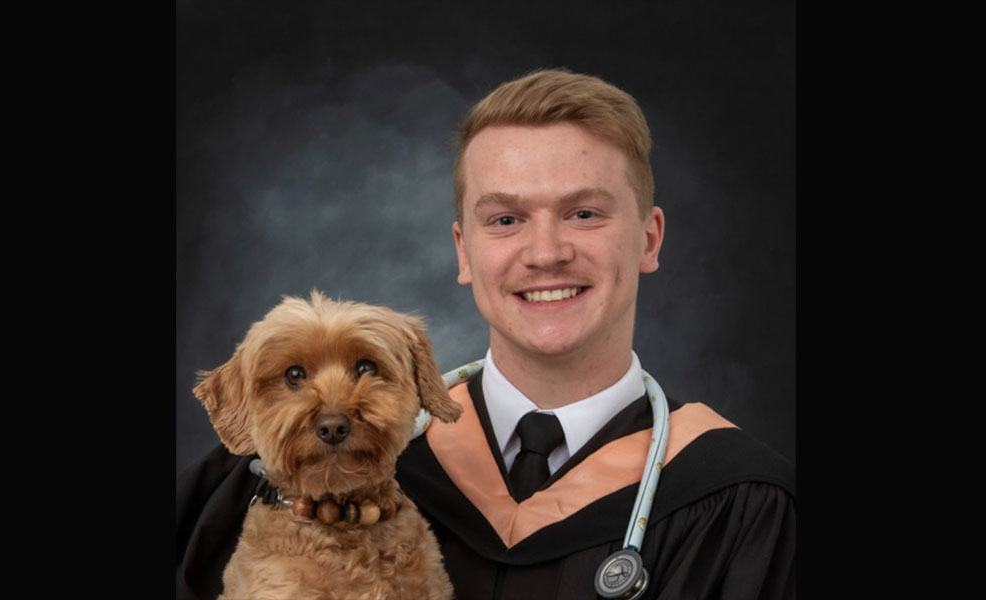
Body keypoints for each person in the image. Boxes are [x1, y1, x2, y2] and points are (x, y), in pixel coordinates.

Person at [176, 68, 795, 599]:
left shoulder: (742, 503)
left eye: (584, 213)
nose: (545, 253)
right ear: (463, 250)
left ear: (650, 238)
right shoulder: (283, 476)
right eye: (505, 218)